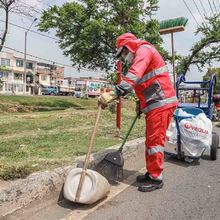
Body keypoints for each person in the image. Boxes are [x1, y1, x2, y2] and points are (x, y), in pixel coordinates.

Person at [98, 33, 178, 192]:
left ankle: (156, 178)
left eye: (124, 53)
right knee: (151, 141)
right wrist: (139, 103)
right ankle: (152, 173)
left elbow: (134, 75)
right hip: (154, 104)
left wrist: (115, 93)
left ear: (128, 47)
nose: (124, 57)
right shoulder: (140, 54)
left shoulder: (144, 50)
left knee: (155, 142)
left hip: (161, 104)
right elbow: (146, 84)